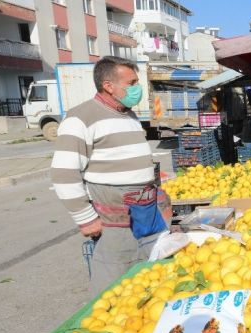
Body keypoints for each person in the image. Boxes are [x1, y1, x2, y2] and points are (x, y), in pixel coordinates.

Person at [51, 56, 171, 295]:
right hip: (113, 214)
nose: (137, 89)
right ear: (109, 86)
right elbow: (63, 173)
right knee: (116, 279)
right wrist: (85, 218)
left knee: (147, 272)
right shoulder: (81, 118)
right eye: (132, 83)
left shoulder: (128, 116)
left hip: (144, 209)